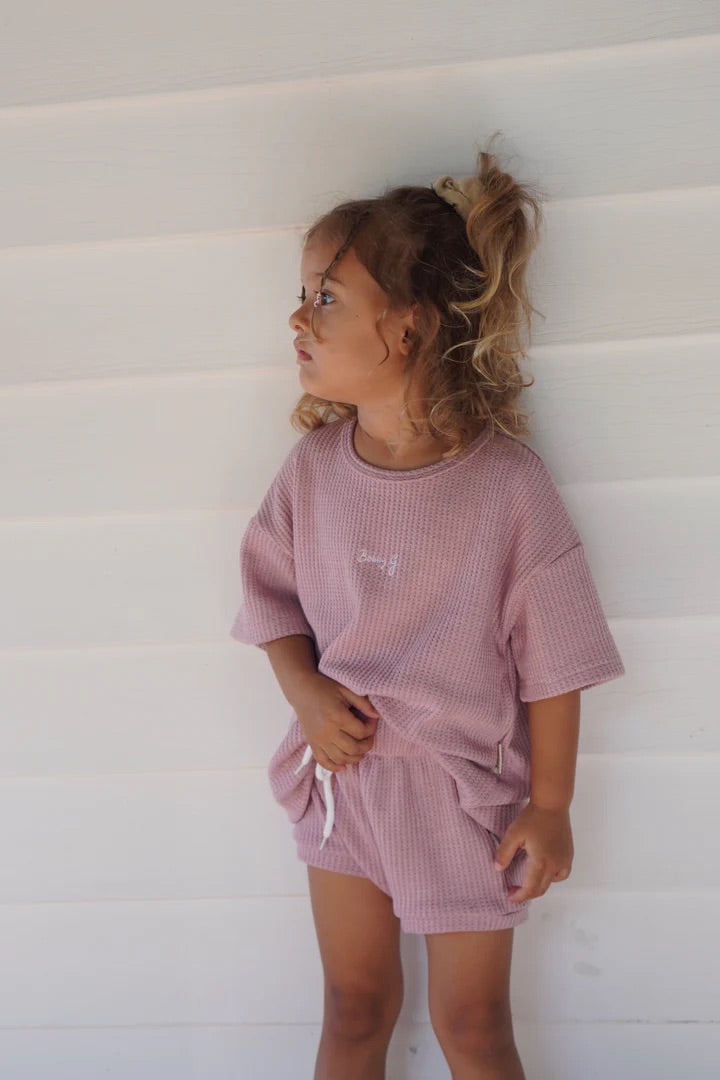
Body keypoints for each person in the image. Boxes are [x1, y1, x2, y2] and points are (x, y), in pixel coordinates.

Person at [230, 140, 626, 1080]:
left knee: (474, 1026)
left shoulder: (507, 489)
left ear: (406, 329)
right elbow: (268, 596)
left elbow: (555, 655)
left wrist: (553, 804)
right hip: (343, 785)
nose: (298, 316)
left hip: (461, 800)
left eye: (325, 297)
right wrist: (306, 695)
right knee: (354, 1007)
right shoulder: (314, 474)